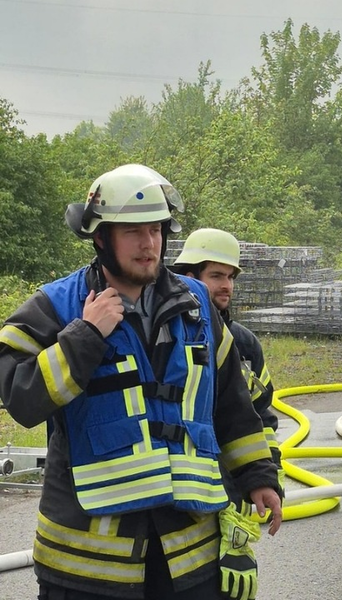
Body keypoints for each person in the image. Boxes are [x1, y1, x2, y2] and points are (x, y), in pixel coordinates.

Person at [0, 164, 282, 600]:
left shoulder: (197, 304)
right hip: (86, 564)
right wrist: (84, 338)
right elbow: (20, 398)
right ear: (99, 237)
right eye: (133, 231)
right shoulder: (56, 306)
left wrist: (258, 475)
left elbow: (231, 402)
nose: (149, 244)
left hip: (187, 554)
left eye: (156, 229)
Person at [170, 228, 284, 489]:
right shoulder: (168, 336)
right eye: (216, 276)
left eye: (230, 277)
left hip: (233, 478)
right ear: (189, 278)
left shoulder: (243, 343)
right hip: (182, 478)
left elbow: (259, 412)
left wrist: (267, 471)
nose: (227, 286)